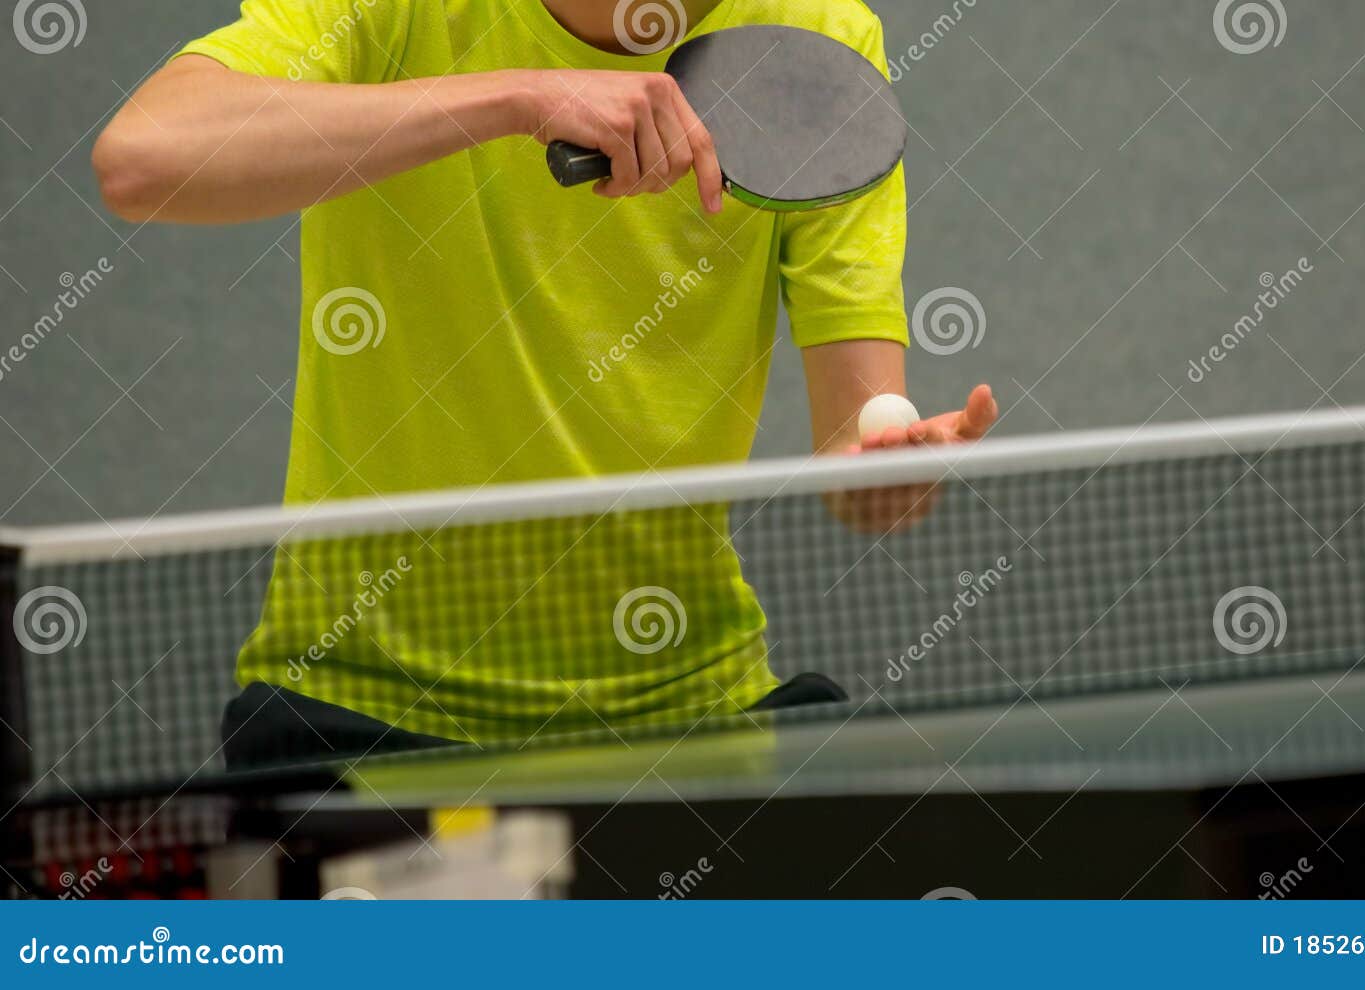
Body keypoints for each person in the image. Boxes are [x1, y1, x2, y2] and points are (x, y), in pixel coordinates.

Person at [92, 0, 999, 767]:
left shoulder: (818, 35)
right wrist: (521, 98)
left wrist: (888, 477)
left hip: (686, 723)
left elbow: (859, 448)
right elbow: (143, 159)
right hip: (359, 725)